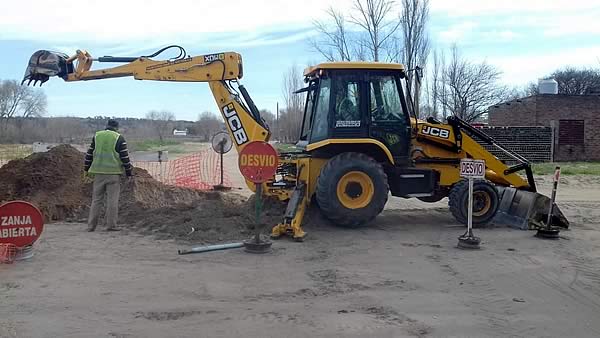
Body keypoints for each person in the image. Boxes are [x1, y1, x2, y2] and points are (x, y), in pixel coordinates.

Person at [84, 119, 133, 231]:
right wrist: (129, 173)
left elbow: (89, 155)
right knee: (112, 200)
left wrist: (86, 169)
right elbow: (125, 158)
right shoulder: (119, 138)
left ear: (106, 126)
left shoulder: (97, 136)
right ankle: (111, 226)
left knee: (96, 200)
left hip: (98, 173)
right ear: (117, 127)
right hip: (113, 174)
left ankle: (91, 226)